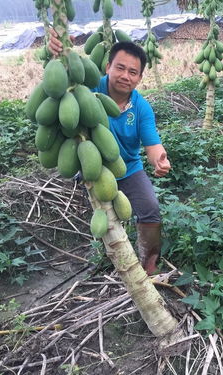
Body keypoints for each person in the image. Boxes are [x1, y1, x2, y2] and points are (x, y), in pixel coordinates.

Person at [48, 31, 171, 275]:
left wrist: (159, 159)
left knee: (150, 208)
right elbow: (64, 84)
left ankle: (149, 262)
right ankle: (108, 256)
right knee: (105, 216)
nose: (125, 76)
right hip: (92, 167)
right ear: (107, 67)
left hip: (127, 168)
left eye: (133, 72)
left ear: (139, 78)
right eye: (120, 68)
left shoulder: (141, 107)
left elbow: (153, 144)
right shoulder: (89, 89)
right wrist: (62, 54)